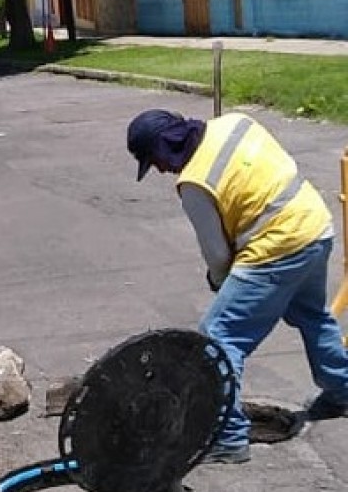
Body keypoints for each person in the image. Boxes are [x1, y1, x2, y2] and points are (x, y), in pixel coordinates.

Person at [126, 109, 348, 464]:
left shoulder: (195, 185)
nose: (161, 170)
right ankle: (342, 390)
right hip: (314, 227)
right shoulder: (235, 122)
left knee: (219, 337)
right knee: (312, 316)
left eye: (155, 162)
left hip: (276, 246)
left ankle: (228, 436)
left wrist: (219, 281)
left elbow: (217, 255)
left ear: (164, 149)